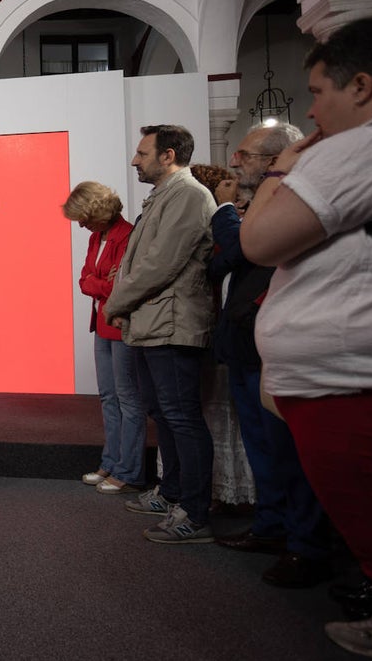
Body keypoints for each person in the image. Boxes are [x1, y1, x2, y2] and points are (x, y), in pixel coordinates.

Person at [241, 16, 372, 659]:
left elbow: (258, 240)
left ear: (361, 86)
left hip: (354, 383)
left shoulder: (364, 147)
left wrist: (283, 169)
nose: (310, 108)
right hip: (344, 377)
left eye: (319, 90)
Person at [209, 123, 331, 590]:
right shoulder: (258, 207)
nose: (235, 161)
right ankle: (274, 527)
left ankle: (306, 547)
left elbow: (242, 249)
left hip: (278, 347)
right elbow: (220, 262)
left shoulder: (290, 203)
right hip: (245, 341)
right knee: (265, 451)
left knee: (288, 453)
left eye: (246, 154)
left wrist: (224, 212)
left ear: (277, 161)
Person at [105, 124, 217, 544]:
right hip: (154, 324)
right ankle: (172, 494)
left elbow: (160, 265)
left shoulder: (188, 195)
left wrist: (115, 303)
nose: (135, 161)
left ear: (168, 155)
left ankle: (194, 511)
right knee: (164, 413)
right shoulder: (165, 196)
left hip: (172, 325)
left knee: (182, 417)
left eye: (142, 153)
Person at [61, 182, 144, 494]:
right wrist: (100, 282)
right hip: (102, 324)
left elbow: (123, 286)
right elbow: (85, 280)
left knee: (129, 400)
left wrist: (101, 283)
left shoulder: (128, 235)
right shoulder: (97, 236)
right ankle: (110, 462)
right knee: (109, 398)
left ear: (97, 211)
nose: (81, 225)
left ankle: (129, 470)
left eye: (83, 217)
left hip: (123, 325)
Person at [190, 164, 256, 510]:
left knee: (230, 417)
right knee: (212, 413)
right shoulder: (212, 229)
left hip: (230, 331)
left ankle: (239, 490)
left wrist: (225, 213)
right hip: (213, 328)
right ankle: (217, 488)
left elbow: (220, 264)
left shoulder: (235, 226)